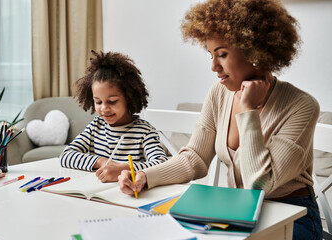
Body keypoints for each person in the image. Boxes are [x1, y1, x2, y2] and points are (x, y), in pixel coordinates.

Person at [118, 0, 322, 239]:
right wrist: (145, 176)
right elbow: (195, 158)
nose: (214, 66)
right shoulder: (218, 92)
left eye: (222, 54)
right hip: (236, 212)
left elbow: (260, 184)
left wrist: (248, 111)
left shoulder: (301, 105)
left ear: (254, 50)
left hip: (292, 217)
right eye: (210, 55)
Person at [60, 50, 168, 182]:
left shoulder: (145, 132)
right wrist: (101, 162)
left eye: (112, 101)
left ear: (128, 97)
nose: (104, 108)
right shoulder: (96, 127)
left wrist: (125, 168)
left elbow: (161, 164)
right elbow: (66, 156)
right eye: (98, 102)